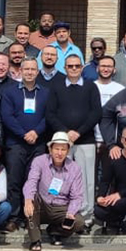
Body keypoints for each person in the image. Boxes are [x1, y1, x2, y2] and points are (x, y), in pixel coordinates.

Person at [46, 54, 102, 220]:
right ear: (65, 68)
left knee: (87, 179)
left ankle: (86, 216)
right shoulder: (56, 87)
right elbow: (50, 113)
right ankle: (62, 213)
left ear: (82, 68)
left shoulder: (91, 87)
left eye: (77, 66)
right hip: (63, 143)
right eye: (70, 66)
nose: (74, 69)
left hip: (85, 140)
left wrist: (79, 132)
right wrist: (65, 133)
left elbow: (96, 113)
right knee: (61, 178)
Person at [0, 57, 50, 232]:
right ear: (20, 70)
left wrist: (36, 132)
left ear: (38, 72)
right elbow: (7, 116)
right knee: (14, 180)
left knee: (34, 181)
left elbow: (48, 116)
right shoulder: (10, 91)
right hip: (15, 143)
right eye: (26, 69)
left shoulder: (45, 92)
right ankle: (13, 217)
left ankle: (31, 217)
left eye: (33, 69)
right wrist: (23, 134)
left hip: (38, 143)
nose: (29, 72)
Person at [24, 131, 87, 247]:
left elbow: (77, 196)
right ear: (50, 149)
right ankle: (35, 240)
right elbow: (31, 181)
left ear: (68, 151)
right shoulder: (39, 161)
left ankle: (55, 231)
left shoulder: (74, 168)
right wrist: (28, 199)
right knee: (31, 200)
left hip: (61, 207)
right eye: (56, 149)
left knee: (79, 223)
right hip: (42, 204)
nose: (59, 153)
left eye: (63, 149)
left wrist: (71, 213)